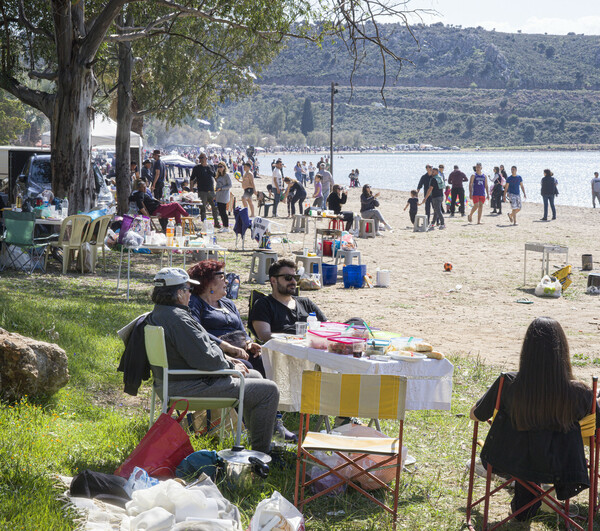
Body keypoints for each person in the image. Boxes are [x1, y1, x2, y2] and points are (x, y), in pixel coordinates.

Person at [470, 317, 598, 521]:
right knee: (536, 450)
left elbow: (476, 415)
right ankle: (537, 504)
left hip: (512, 460)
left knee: (527, 449)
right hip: (563, 468)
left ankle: (525, 508)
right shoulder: (581, 393)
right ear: (562, 350)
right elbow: (597, 435)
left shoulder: (509, 383)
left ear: (526, 350)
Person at [146, 267, 279, 454]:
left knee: (255, 374)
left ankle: (256, 440)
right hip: (189, 386)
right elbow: (205, 359)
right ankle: (261, 454)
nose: (190, 295)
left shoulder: (162, 312)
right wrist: (230, 365)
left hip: (175, 381)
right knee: (268, 391)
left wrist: (227, 360)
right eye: (188, 290)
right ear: (179, 293)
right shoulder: (178, 318)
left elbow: (202, 352)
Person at [187, 261, 263, 375]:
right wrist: (227, 347)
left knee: (262, 360)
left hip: (240, 350)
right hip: (217, 353)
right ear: (207, 281)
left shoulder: (228, 303)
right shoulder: (194, 303)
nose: (226, 281)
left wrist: (249, 342)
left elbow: (241, 329)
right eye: (222, 277)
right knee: (246, 366)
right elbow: (196, 331)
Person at [250, 258, 327, 342]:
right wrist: (295, 339)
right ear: (273, 280)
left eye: (296, 277)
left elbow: (327, 326)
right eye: (288, 277)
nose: (294, 281)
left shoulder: (305, 303)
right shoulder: (263, 304)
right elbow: (264, 335)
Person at [191, 153, 221, 228]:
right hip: (202, 191)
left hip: (211, 191)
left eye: (202, 158)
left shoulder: (210, 167)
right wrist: (191, 190)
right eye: (200, 158)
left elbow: (215, 177)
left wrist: (219, 186)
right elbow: (191, 179)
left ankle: (216, 223)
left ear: (206, 158)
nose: (200, 159)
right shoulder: (196, 168)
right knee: (203, 208)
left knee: (215, 207)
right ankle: (204, 223)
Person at [215, 162, 232, 232]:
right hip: (219, 195)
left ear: (224, 167)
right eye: (218, 166)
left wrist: (221, 188)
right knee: (220, 212)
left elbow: (230, 185)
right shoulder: (218, 176)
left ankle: (226, 227)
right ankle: (224, 226)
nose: (219, 168)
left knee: (223, 212)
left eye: (221, 166)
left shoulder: (226, 175)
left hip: (224, 195)